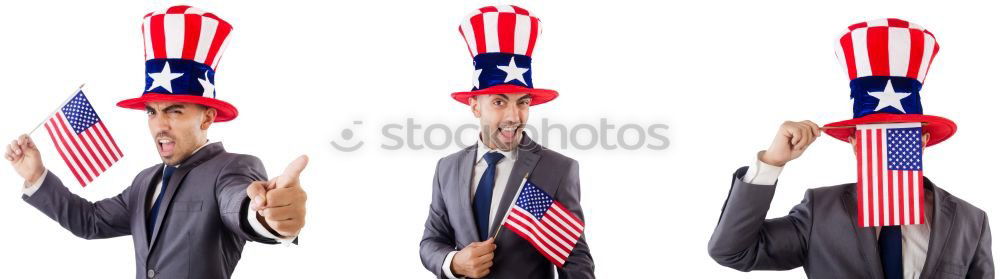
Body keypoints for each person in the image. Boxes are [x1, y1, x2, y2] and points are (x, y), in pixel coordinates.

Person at [4, 6, 308, 278]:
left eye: (175, 111)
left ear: (207, 118)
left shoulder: (232, 168)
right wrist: (35, 176)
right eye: (152, 111)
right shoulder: (144, 181)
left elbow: (239, 205)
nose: (159, 125)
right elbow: (90, 222)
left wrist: (267, 217)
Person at [707, 19, 993, 279]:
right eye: (872, 135)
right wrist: (771, 163)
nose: (885, 145)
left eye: (899, 134)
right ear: (855, 144)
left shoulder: (970, 221)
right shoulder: (821, 211)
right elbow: (732, 251)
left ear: (922, 141)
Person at [418, 5, 595, 279]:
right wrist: (453, 262)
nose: (514, 116)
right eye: (499, 102)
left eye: (522, 102)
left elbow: (575, 259)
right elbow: (431, 242)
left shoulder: (558, 169)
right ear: (475, 106)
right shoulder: (447, 168)